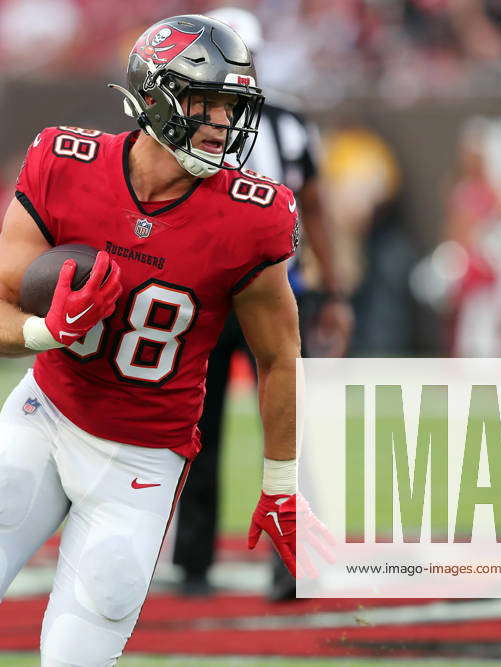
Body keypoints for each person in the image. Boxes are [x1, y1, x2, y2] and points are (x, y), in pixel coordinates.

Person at [0, 15, 305, 666]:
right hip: (46, 414)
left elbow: (279, 356)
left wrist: (283, 481)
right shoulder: (66, 165)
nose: (222, 123)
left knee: (78, 653)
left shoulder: (254, 215)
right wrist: (46, 330)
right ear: (155, 96)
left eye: (232, 106)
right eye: (205, 102)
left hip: (143, 461)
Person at [171, 6, 353, 600]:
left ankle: (290, 559)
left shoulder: (287, 122)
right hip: (206, 294)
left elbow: (317, 205)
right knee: (197, 425)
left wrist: (336, 286)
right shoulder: (183, 118)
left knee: (285, 426)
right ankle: (193, 559)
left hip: (272, 293)